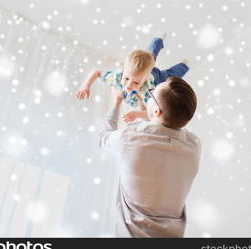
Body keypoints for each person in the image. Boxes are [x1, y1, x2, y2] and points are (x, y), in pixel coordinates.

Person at [99, 76, 201, 237]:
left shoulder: (131, 137)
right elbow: (166, 123)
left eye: (151, 94)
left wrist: (117, 101)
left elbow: (103, 137)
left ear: (156, 111)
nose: (148, 96)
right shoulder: (194, 145)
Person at [76, 35, 190, 122]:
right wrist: (86, 86)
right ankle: (158, 39)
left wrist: (137, 114)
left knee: (169, 74)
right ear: (123, 71)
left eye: (136, 82)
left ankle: (184, 65)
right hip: (142, 75)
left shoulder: (147, 91)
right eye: (126, 79)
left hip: (156, 79)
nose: (129, 84)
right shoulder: (117, 76)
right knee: (148, 56)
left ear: (144, 80)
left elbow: (153, 114)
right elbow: (96, 72)